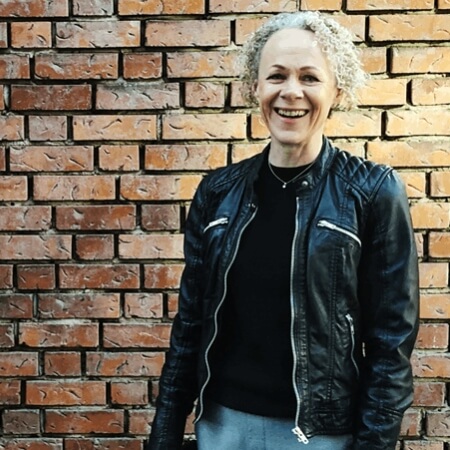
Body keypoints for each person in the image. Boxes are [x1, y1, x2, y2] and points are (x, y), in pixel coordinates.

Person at [146, 11, 419, 450]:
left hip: (319, 434)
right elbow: (190, 326)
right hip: (221, 427)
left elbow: (391, 344)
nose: (291, 92)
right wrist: (164, 435)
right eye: (276, 76)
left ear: (337, 90)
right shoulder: (218, 193)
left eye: (310, 77)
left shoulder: (371, 192)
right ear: (255, 87)